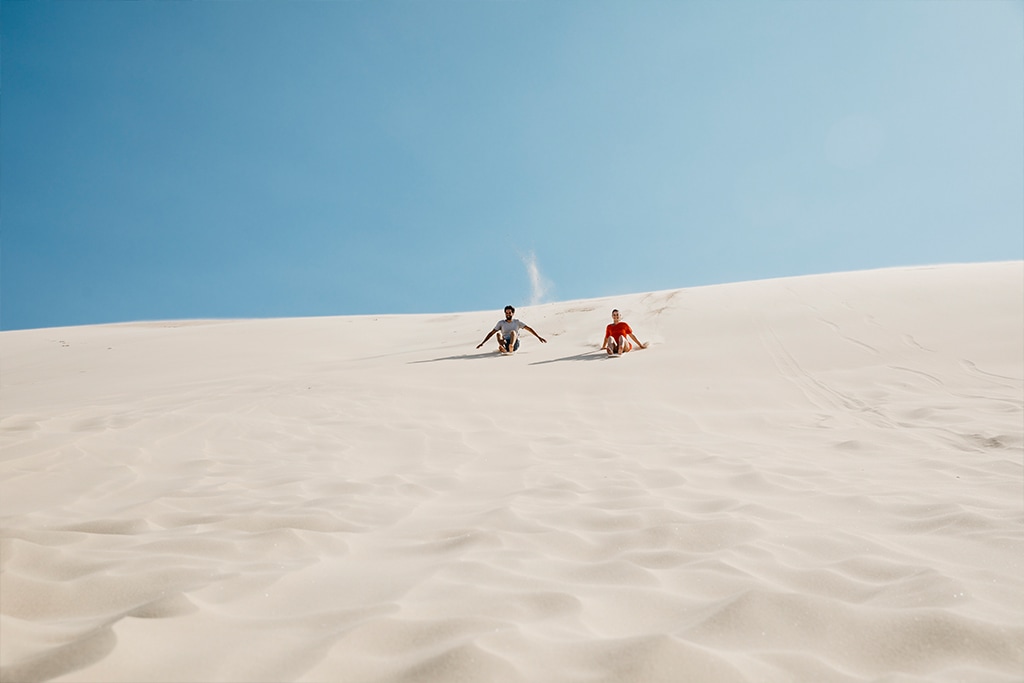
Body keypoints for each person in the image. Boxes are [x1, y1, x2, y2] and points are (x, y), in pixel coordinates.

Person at [477, 305, 547, 353]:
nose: (508, 314)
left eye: (509, 313)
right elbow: (492, 333)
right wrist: (483, 343)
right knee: (498, 334)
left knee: (513, 332)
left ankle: (511, 347)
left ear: (513, 313)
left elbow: (528, 329)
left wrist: (538, 337)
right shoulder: (501, 323)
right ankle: (504, 348)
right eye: (506, 313)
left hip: (514, 342)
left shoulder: (517, 322)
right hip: (505, 342)